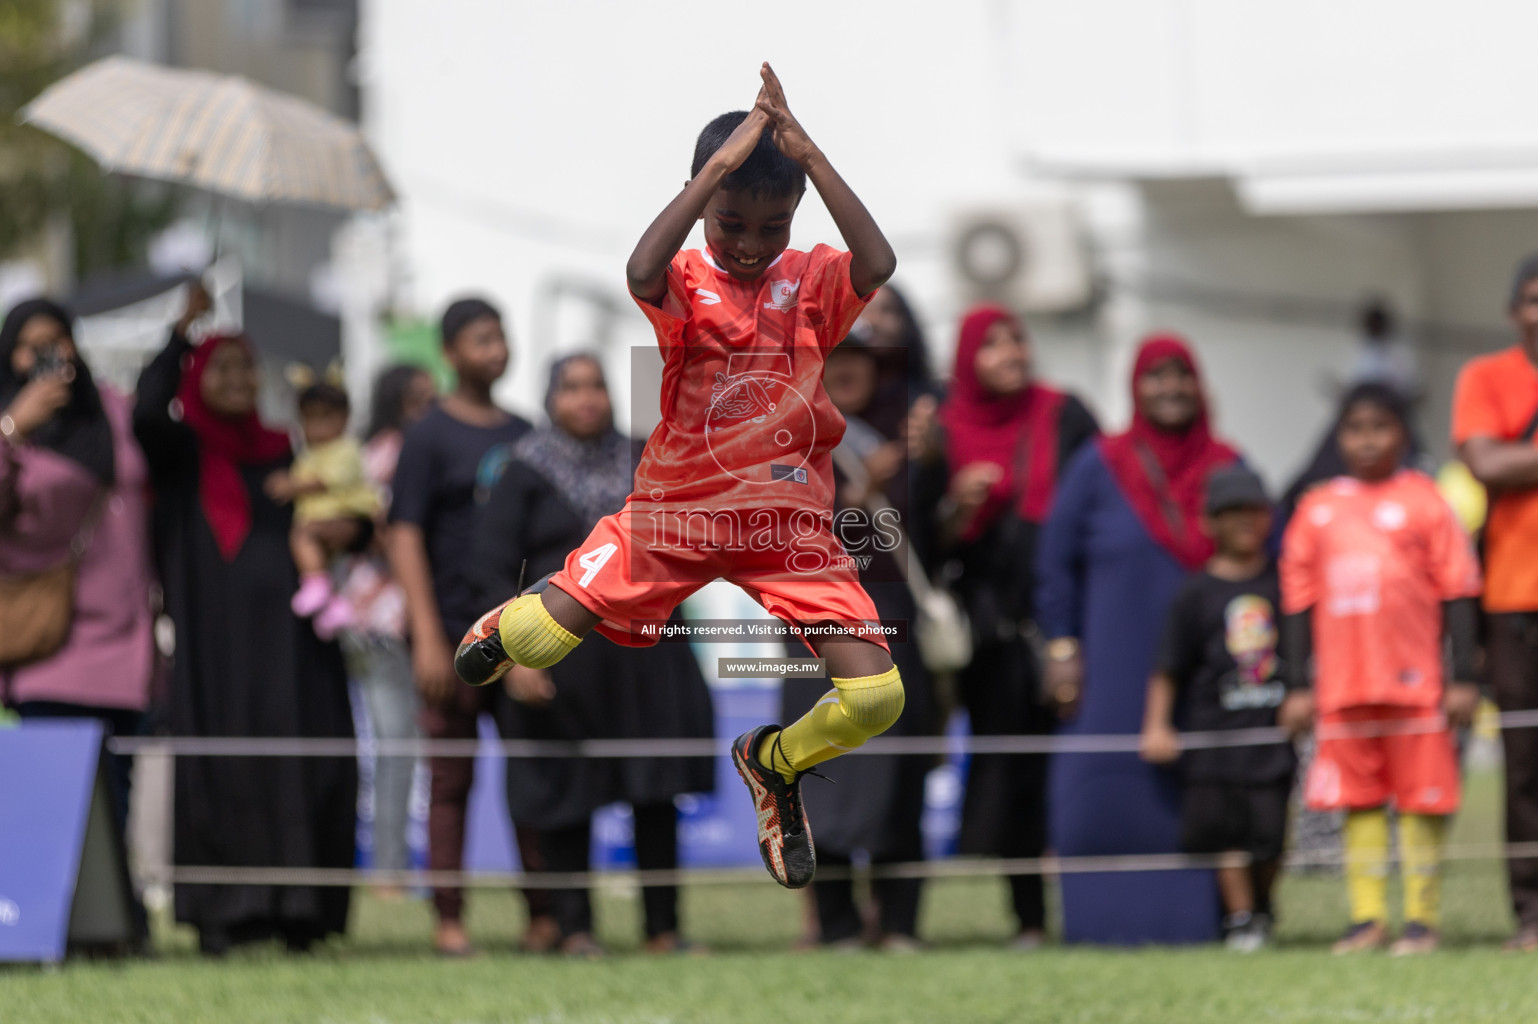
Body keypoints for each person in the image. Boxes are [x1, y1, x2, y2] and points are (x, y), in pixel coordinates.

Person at [455, 62, 901, 891]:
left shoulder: (809, 283)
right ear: (704, 202)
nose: (747, 243)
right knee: (538, 642)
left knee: (877, 700)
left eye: (772, 227)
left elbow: (877, 262)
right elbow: (637, 270)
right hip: (675, 515)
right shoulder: (687, 282)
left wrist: (812, 153)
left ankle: (773, 763)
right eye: (731, 222)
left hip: (787, 530)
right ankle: (509, 619)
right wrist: (714, 174)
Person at [133, 284, 356, 955]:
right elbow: (146, 409)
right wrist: (182, 330)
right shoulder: (181, 452)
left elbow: (350, 510)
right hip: (214, 646)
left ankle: (302, 912)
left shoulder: (288, 452)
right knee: (223, 765)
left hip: (294, 646)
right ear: (198, 378)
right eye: (222, 367)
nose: (239, 378)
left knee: (305, 763)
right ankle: (228, 915)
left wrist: (351, 527)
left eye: (246, 366)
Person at [472, 353, 715, 956]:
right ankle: (575, 929)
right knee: (566, 797)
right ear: (550, 397)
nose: (587, 398)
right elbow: (491, 569)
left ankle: (664, 929)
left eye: (597, 386)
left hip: (646, 658)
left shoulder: (645, 457)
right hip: (562, 663)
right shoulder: (523, 471)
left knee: (654, 792)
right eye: (572, 387)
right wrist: (516, 659)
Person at [1035, 333, 1240, 944]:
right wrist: (1062, 647)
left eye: (1181, 376)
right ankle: (1097, 922)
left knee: (1213, 794)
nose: (1170, 388)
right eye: (1156, 376)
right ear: (1134, 386)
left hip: (1207, 672)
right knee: (1096, 791)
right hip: (1111, 669)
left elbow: (1265, 560)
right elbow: (1053, 563)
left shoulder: (1227, 467)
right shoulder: (1100, 464)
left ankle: (1224, 919)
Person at [911, 304, 1098, 947]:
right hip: (993, 635)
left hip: (1067, 616)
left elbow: (1094, 502)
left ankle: (1099, 906)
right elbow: (929, 550)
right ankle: (1030, 920)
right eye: (991, 345)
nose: (1011, 352)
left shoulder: (1064, 413)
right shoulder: (944, 428)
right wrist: (958, 505)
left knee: (1076, 770)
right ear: (966, 358)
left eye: (1016, 339)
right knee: (1013, 772)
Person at [1281, 383, 1481, 955]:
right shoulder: (1317, 508)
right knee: (1359, 801)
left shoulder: (1426, 500)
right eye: (1354, 428)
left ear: (1402, 432)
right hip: (1343, 688)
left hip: (1416, 686)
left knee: (1423, 800)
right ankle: (1366, 920)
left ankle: (1421, 921)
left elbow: (1459, 588)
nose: (1366, 441)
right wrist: (1298, 684)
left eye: (1379, 427)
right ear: (1338, 436)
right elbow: (1297, 597)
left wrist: (1463, 675)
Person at [0, 297, 157, 940]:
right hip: (50, 639)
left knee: (117, 792)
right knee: (53, 795)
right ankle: (44, 925)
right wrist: (13, 426)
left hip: (125, 634)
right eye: (30, 346)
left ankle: (116, 926)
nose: (47, 358)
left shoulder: (112, 410)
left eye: (58, 342)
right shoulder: (12, 424)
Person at [387, 297, 534, 956]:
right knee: (450, 782)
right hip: (448, 635)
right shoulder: (428, 434)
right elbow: (405, 533)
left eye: (500, 338)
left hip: (523, 636)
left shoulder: (528, 433)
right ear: (449, 353)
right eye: (480, 340)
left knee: (533, 776)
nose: (495, 350)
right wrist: (424, 633)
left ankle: (546, 918)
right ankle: (449, 921)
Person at [781, 333, 938, 950]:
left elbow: (938, 535)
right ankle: (838, 925)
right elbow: (777, 531)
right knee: (822, 772)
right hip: (817, 631)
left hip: (895, 630)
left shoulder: (908, 444)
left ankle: (899, 925)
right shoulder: (787, 441)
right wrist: (861, 491)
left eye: (860, 363)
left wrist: (933, 463)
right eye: (833, 362)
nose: (846, 373)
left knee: (902, 782)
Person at [1140, 465, 1296, 952]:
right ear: (1211, 522)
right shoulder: (1195, 592)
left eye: (1254, 511)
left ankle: (1264, 906)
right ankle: (1241, 918)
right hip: (1215, 736)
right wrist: (1157, 724)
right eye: (1232, 513)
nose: (1245, 523)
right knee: (1227, 834)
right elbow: (1168, 666)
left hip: (1270, 733)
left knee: (1270, 834)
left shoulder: (1285, 584)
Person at [1452, 253, 1538, 953]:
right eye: (1535, 298)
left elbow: (1513, 461)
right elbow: (1486, 464)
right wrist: (1509, 458)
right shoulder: (1486, 378)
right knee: (1525, 763)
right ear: (1515, 309)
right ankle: (1533, 913)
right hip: (1514, 602)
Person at [339, 364, 437, 894]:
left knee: (409, 748)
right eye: (418, 400)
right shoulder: (387, 453)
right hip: (381, 622)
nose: (429, 408)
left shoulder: (403, 450)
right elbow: (383, 536)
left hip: (404, 621)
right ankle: (389, 871)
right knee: (396, 745)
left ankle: (398, 866)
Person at [274, 380, 380, 639]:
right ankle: (334, 605)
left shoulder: (345, 448)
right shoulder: (309, 453)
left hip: (346, 514)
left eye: (325, 418)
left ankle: (317, 585)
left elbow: (326, 481)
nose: (317, 428)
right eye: (310, 420)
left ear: (344, 419)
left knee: (303, 536)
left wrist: (290, 486)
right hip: (323, 520)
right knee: (319, 554)